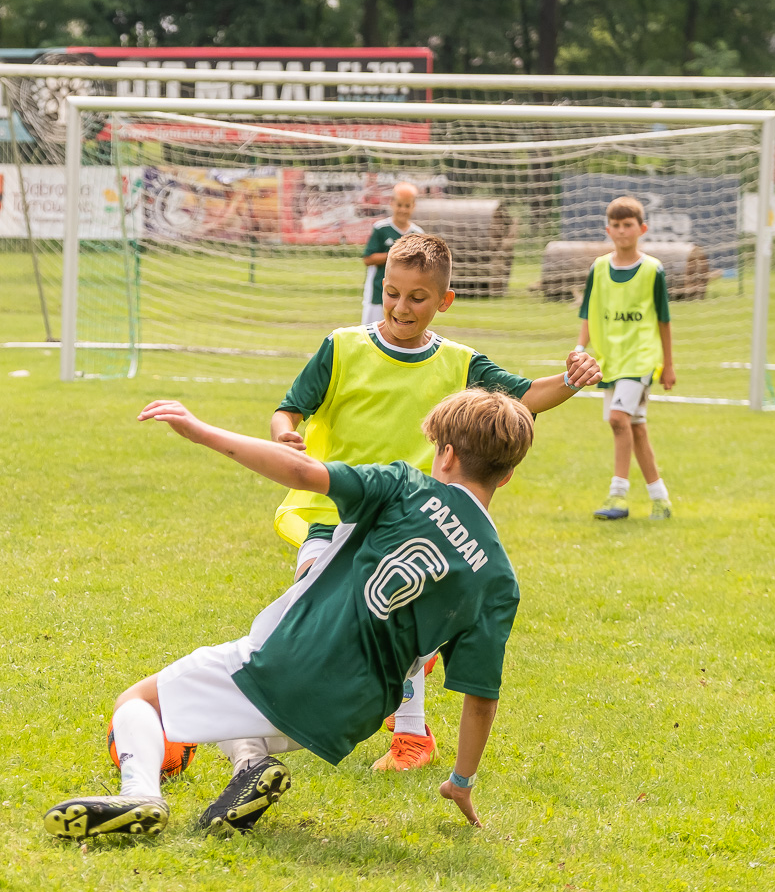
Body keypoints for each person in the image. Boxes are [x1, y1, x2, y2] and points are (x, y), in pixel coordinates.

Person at [43, 389, 535, 840]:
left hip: (288, 663)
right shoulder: (498, 579)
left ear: (445, 453)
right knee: (240, 708)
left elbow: (302, 473)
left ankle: (140, 797)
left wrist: (199, 430)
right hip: (352, 712)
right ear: (507, 474)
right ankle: (251, 768)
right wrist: (461, 781)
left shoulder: (405, 487)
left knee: (138, 702)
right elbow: (481, 698)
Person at [241, 232, 597, 775]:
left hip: (410, 520)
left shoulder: (459, 362)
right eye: (391, 293)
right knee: (321, 603)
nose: (401, 308)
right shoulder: (342, 346)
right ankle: (255, 697)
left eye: (417, 298)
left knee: (387, 618)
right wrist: (283, 433)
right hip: (332, 512)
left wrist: (571, 381)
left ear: (444, 301)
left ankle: (408, 736)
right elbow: (290, 409)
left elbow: (522, 397)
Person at [578, 196, 675, 521]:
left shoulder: (652, 270)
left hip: (640, 359)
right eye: (616, 226)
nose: (622, 231)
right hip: (611, 359)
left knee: (618, 419)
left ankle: (617, 497)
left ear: (642, 228)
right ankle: (660, 499)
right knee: (635, 429)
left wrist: (669, 364)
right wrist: (580, 350)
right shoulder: (599, 268)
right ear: (608, 230)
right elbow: (588, 314)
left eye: (628, 225)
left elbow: (664, 320)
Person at [360, 181, 425, 325]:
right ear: (392, 203)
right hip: (378, 293)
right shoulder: (381, 229)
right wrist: (396, 255)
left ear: (413, 206)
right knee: (371, 334)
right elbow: (368, 259)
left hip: (405, 296)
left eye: (407, 206)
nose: (403, 209)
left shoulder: (418, 234)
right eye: (399, 205)